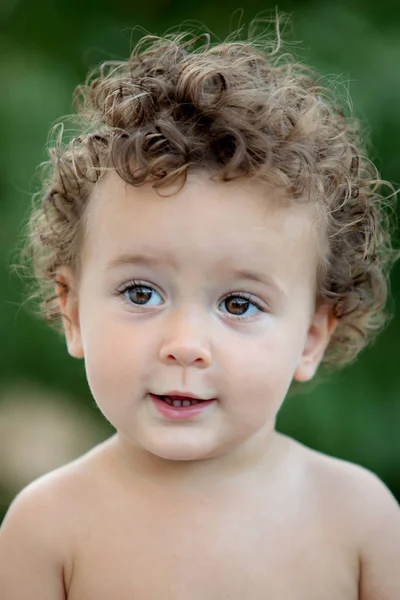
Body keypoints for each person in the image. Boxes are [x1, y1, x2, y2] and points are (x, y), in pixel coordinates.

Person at [1, 17, 399, 599]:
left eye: (239, 302)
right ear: (74, 312)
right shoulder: (47, 530)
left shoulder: (360, 522)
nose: (184, 342)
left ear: (311, 338)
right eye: (142, 293)